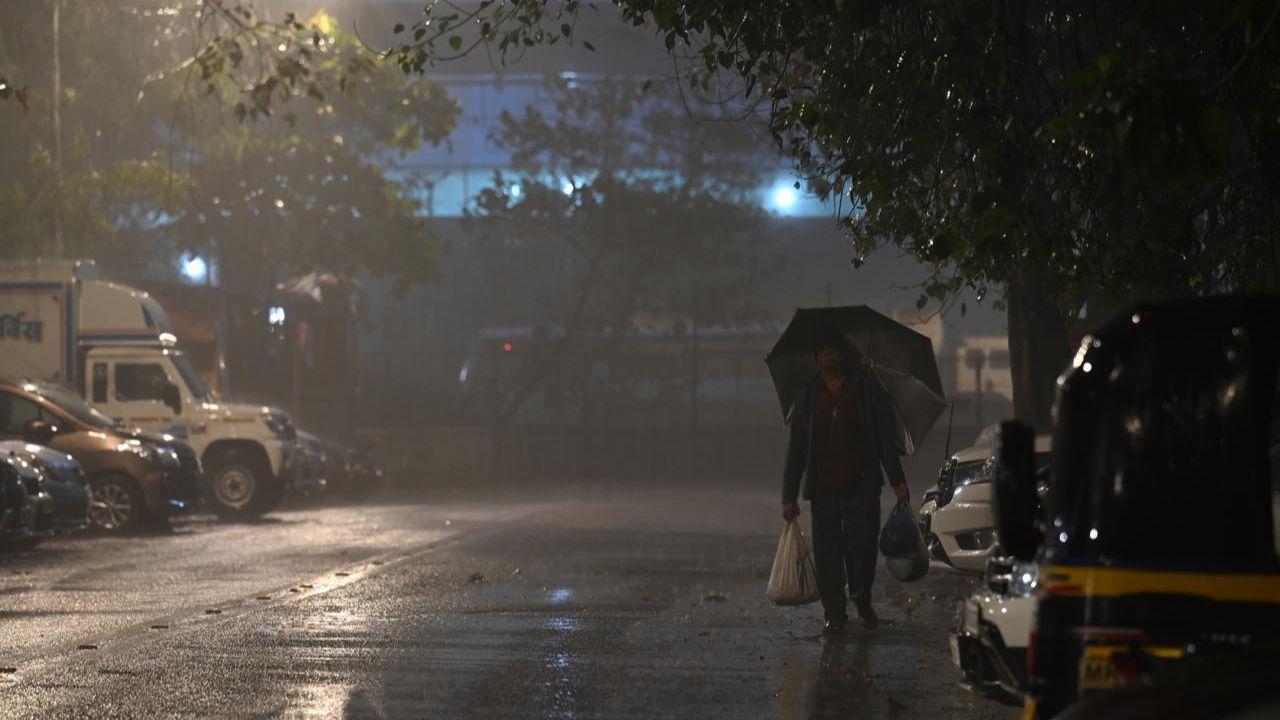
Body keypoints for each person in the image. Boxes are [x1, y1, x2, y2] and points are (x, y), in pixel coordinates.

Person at [781, 330, 908, 633]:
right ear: (816, 357)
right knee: (827, 554)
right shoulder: (808, 395)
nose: (829, 355)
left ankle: (862, 602)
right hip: (823, 490)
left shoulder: (865, 389)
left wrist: (897, 479)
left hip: (862, 486)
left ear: (844, 355)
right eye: (823, 350)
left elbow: (883, 437)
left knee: (862, 549)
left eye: (834, 349)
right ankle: (834, 612)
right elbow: (797, 447)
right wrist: (789, 495)